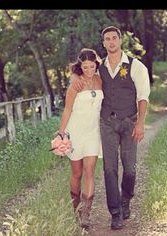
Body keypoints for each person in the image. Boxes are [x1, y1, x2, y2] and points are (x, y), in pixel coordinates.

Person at [71, 26, 150, 230]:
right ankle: (115, 212)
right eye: (107, 39)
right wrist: (75, 81)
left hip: (130, 122)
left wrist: (140, 122)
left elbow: (143, 97)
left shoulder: (135, 66)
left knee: (130, 168)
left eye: (115, 38)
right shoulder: (99, 67)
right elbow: (83, 74)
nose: (112, 42)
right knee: (109, 169)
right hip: (107, 123)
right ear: (103, 43)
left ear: (120, 40)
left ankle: (126, 200)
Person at [57, 48, 103, 229]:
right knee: (77, 172)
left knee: (90, 170)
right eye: (85, 67)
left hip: (93, 131)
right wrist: (61, 132)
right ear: (80, 66)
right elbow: (67, 110)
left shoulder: (100, 80)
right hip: (75, 132)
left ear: (96, 65)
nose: (89, 70)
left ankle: (86, 214)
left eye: (92, 66)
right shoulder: (75, 84)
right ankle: (76, 210)